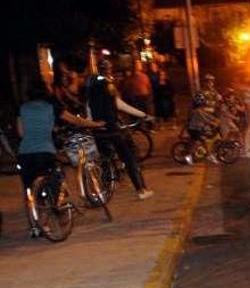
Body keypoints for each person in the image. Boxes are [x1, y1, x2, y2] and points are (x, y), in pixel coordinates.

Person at [17, 80, 104, 236]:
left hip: (25, 153)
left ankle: (34, 227)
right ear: (45, 91)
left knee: (30, 190)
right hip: (45, 152)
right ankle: (60, 212)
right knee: (56, 180)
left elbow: (21, 132)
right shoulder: (52, 107)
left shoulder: (22, 108)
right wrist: (95, 124)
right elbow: (75, 120)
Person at [84, 59, 154, 200]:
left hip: (97, 129)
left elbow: (88, 107)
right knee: (129, 158)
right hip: (111, 128)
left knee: (104, 158)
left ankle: (103, 190)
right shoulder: (108, 85)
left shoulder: (91, 85)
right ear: (109, 70)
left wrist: (92, 123)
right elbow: (120, 105)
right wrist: (143, 115)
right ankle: (141, 190)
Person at [186, 91, 221, 162]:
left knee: (205, 138)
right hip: (194, 130)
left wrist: (215, 119)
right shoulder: (197, 111)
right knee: (199, 141)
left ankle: (205, 154)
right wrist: (213, 123)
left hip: (197, 128)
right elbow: (204, 119)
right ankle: (188, 156)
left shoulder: (199, 110)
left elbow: (207, 115)